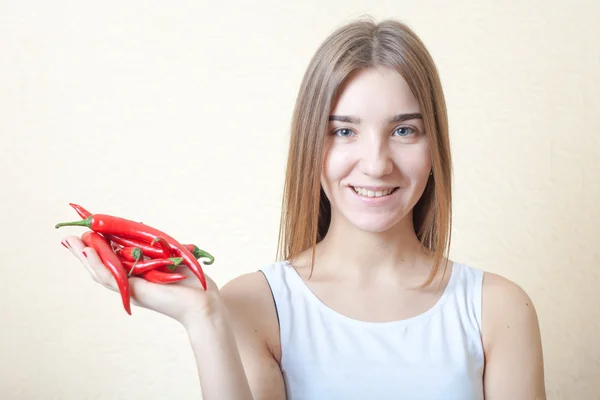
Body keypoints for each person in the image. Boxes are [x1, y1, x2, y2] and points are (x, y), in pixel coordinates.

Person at [62, 17, 546, 400]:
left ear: (434, 146)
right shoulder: (253, 305)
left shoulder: (497, 309)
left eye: (404, 130)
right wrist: (204, 318)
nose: (376, 164)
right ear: (309, 146)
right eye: (343, 131)